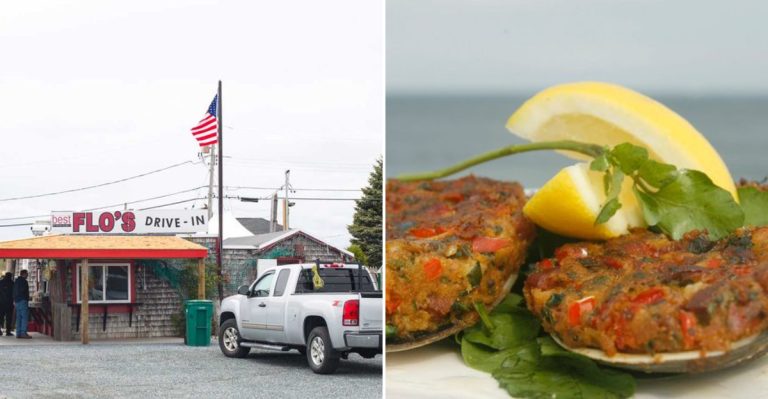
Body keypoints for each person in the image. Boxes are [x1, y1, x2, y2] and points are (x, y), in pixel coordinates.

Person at [13, 269, 31, 339]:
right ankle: (23, 332)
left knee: (18, 317)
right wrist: (26, 297)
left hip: (17, 301)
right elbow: (23, 290)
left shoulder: (16, 281)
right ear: (24, 274)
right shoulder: (24, 281)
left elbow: (14, 291)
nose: (27, 275)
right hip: (23, 300)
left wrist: (14, 299)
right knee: (24, 317)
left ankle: (18, 333)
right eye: (27, 273)